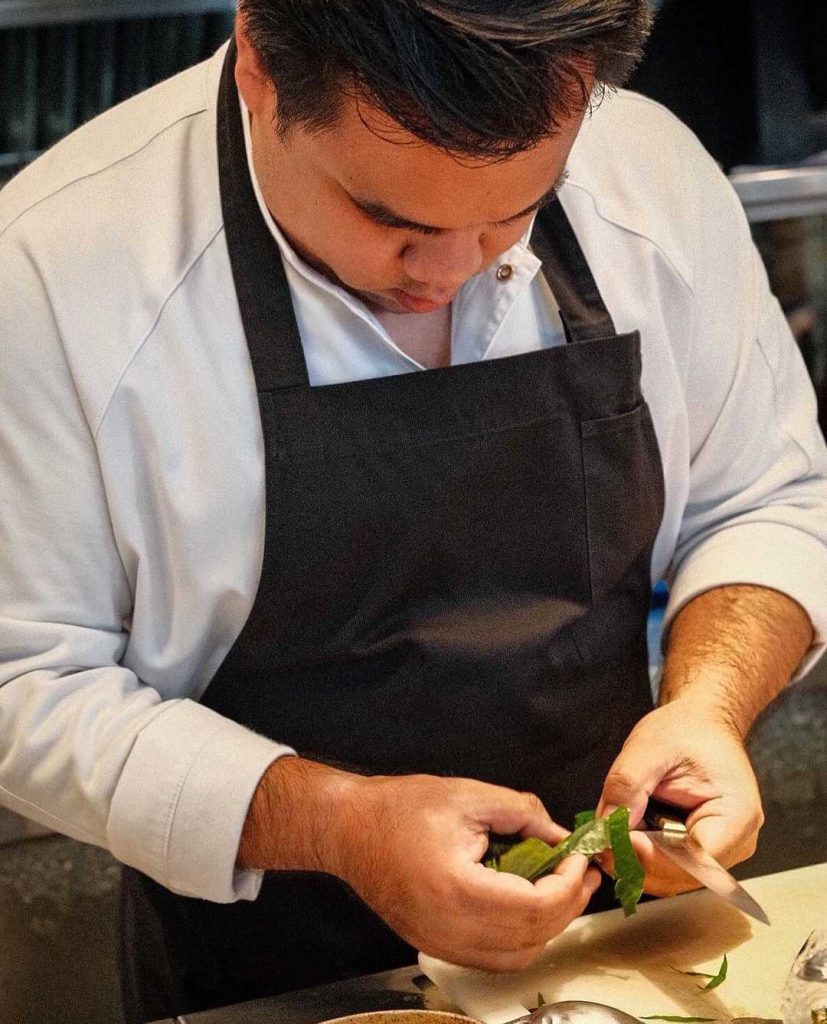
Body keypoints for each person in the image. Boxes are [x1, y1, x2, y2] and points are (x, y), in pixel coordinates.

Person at [1, 2, 825, 1021]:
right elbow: (26, 678)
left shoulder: (650, 176)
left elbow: (769, 495)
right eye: (390, 219)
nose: (446, 275)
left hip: (624, 946)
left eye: (509, 213)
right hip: (268, 974)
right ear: (260, 61)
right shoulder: (53, 268)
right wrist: (341, 825)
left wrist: (708, 701)